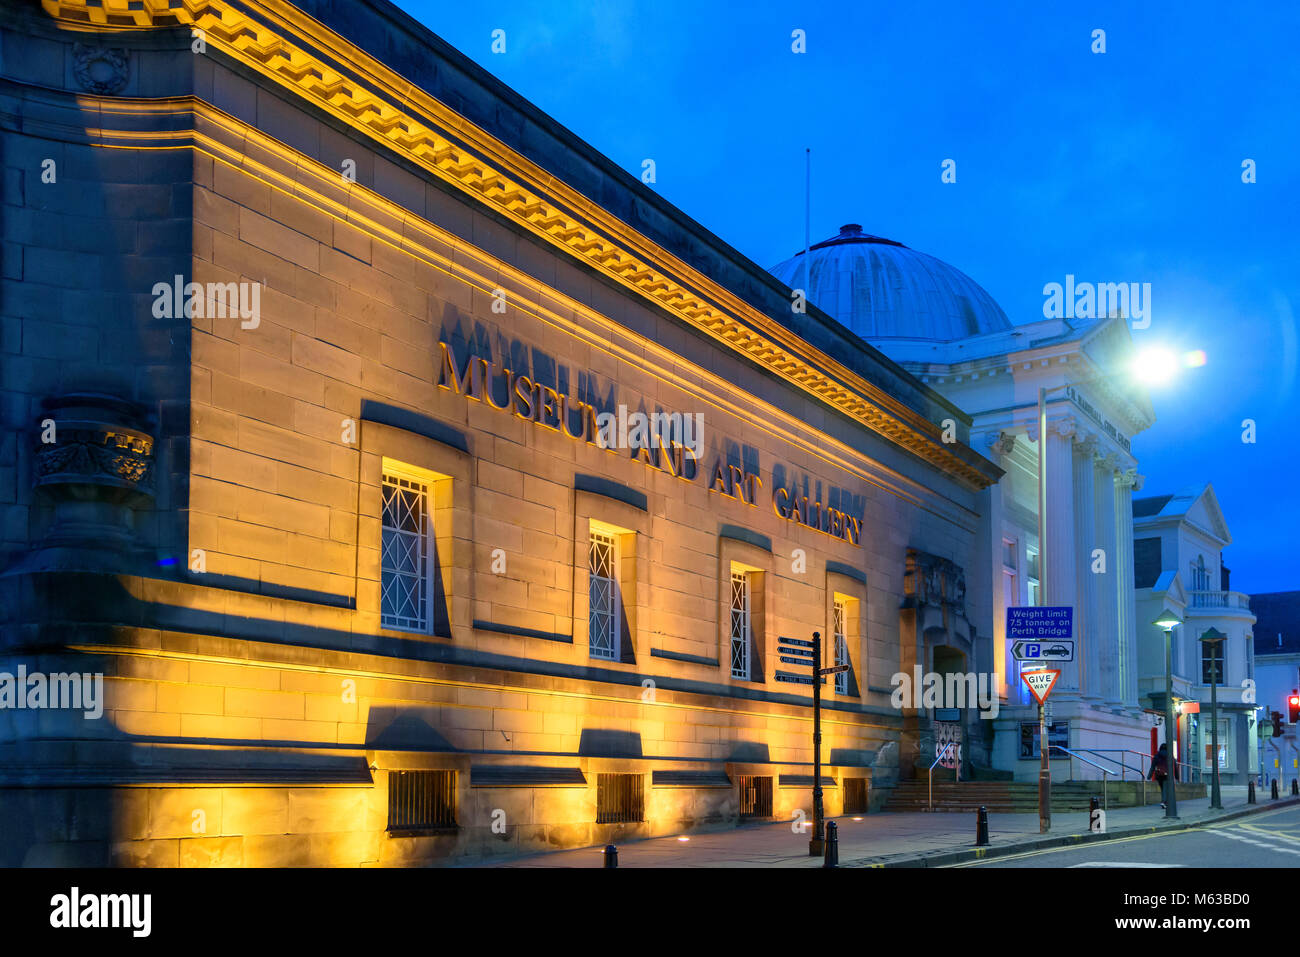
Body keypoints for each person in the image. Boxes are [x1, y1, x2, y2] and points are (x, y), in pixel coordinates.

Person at [1149, 743, 1169, 808]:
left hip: (1159, 774)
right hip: (1167, 775)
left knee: (1163, 788)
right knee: (1165, 788)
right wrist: (1177, 776)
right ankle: (1164, 802)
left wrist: (1149, 776)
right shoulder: (1170, 755)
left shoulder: (1156, 755)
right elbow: (1175, 766)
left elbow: (1152, 767)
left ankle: (1164, 802)